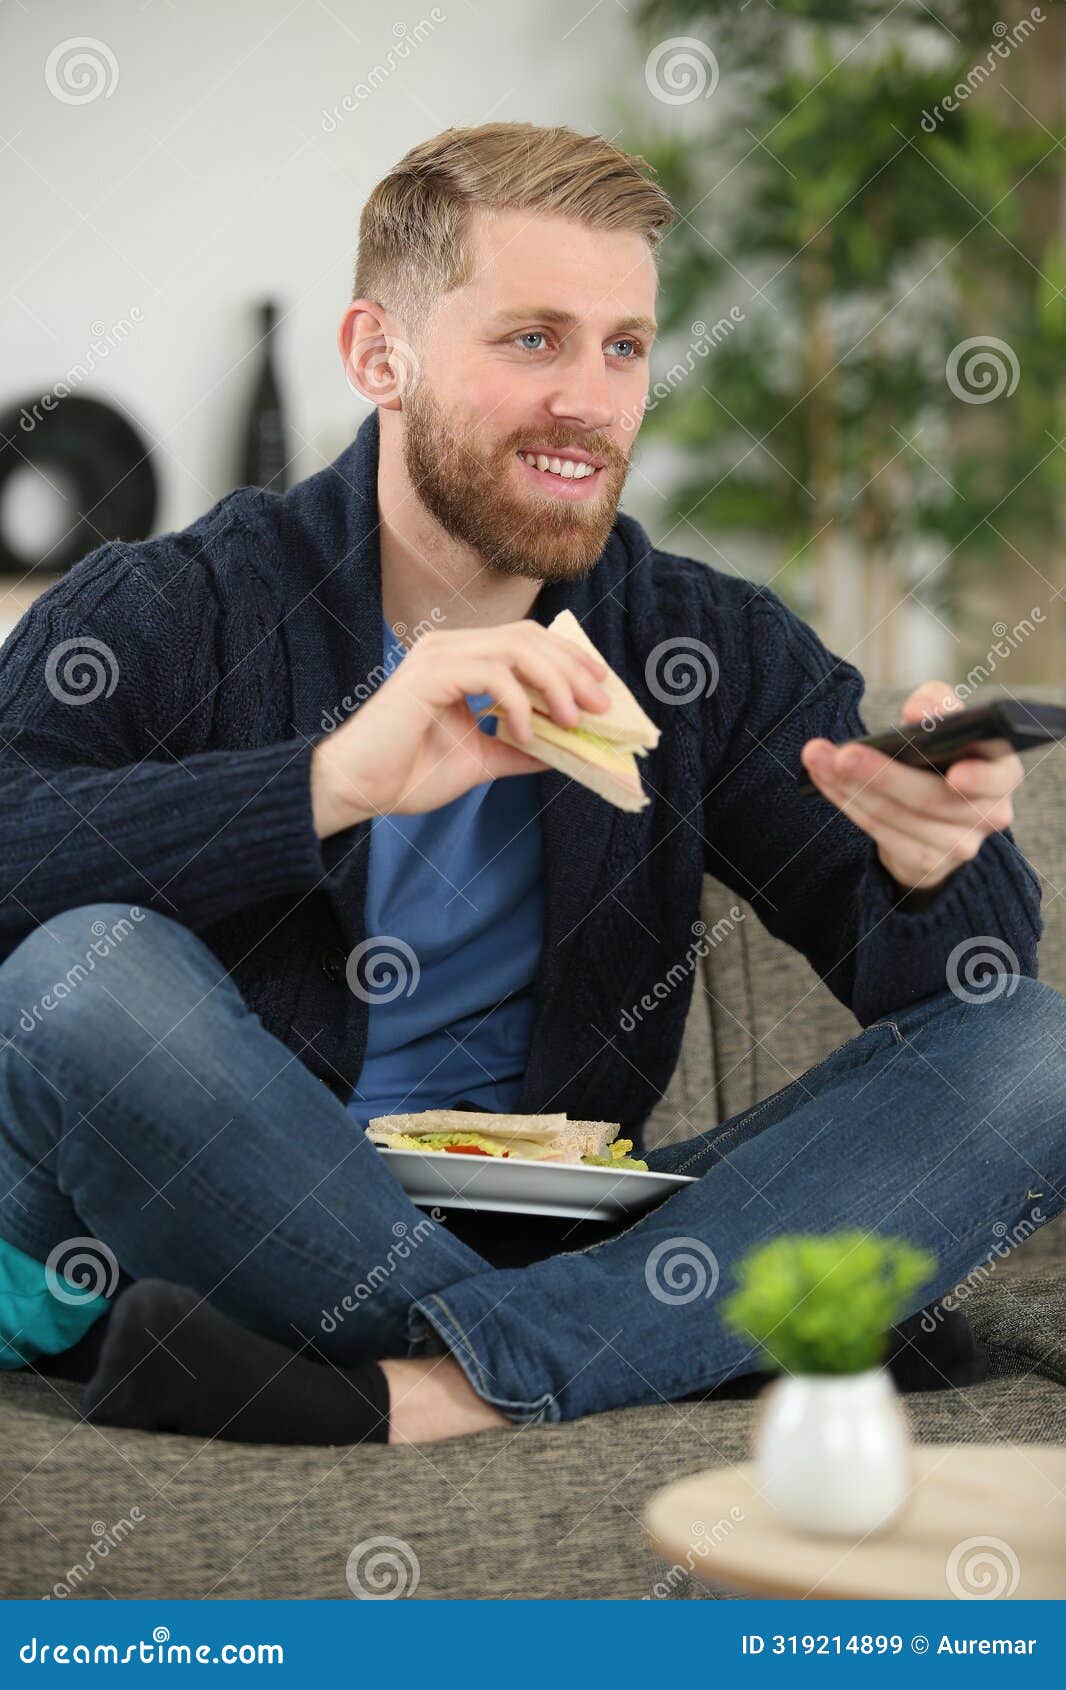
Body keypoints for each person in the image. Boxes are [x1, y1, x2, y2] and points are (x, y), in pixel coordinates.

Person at [0, 122, 1062, 1450]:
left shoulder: (694, 647)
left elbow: (948, 1014)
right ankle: (678, 1342)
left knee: (1037, 1046)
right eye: (532, 339)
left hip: (546, 1226)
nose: (590, 398)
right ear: (376, 355)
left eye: (623, 346)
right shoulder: (167, 607)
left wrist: (931, 863)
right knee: (84, 976)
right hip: (235, 1209)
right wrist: (325, 780)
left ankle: (435, 1388)